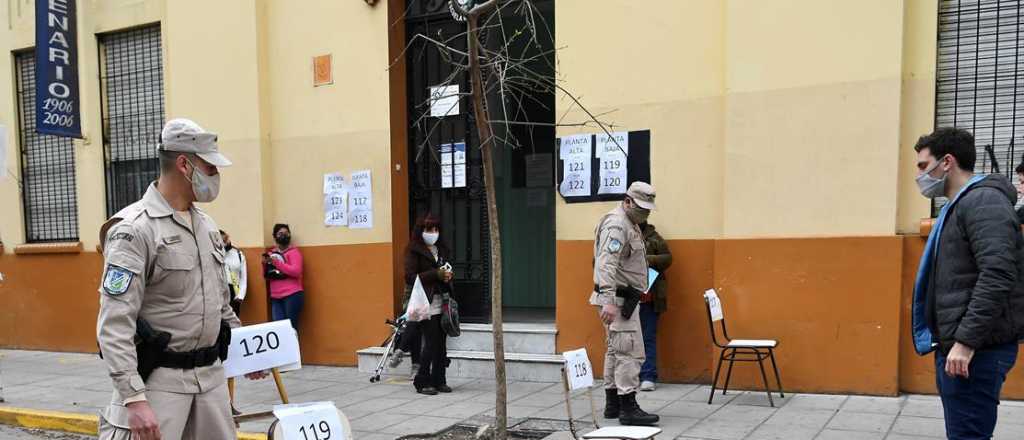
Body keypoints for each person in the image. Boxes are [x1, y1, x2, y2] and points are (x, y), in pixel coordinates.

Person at [95, 118, 266, 440]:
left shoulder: (207, 226)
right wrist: (133, 398)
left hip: (211, 382)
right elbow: (114, 323)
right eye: (210, 168)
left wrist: (249, 354)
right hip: (159, 384)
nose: (216, 176)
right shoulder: (134, 230)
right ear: (185, 165)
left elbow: (220, 304)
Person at [911, 127, 1024, 439]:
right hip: (960, 347)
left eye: (923, 166)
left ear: (947, 162)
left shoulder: (984, 202)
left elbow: (998, 274)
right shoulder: (960, 205)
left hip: (975, 351)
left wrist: (966, 342)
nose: (919, 176)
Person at [591, 181, 660, 426]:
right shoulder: (618, 224)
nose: (645, 214)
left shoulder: (629, 222)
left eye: (648, 210)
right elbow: (606, 263)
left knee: (615, 350)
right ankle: (628, 408)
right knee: (628, 352)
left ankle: (613, 404)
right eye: (641, 208)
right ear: (627, 201)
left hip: (623, 298)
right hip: (618, 300)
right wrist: (609, 300)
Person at [403, 213, 455, 395]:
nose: (432, 233)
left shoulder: (442, 249)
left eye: (435, 229)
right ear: (421, 231)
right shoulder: (413, 250)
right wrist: (436, 274)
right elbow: (410, 277)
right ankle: (422, 381)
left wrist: (447, 275)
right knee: (431, 343)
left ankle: (439, 379)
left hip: (443, 301)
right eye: (428, 229)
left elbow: (445, 269)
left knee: (441, 344)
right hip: (425, 302)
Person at [638, 221, 672, 392]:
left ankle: (647, 376)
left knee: (647, 337)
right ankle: (628, 375)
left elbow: (667, 258)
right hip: (624, 296)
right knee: (625, 340)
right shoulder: (619, 233)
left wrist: (646, 260)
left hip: (650, 297)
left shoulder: (654, 238)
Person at [265, 224, 304, 331]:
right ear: (275, 236)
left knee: (291, 329)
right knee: (279, 330)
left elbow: (296, 271)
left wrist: (277, 263)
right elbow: (267, 275)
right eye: (280, 233)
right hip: (276, 296)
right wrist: (266, 265)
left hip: (292, 295)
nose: (284, 236)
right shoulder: (271, 254)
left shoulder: (294, 252)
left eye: (286, 233)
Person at [220, 230, 247, 319]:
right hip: (220, 292)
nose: (226, 242)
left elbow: (243, 277)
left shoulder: (238, 254)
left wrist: (240, 295)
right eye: (223, 241)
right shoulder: (215, 255)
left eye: (226, 239)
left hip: (234, 291)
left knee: (234, 320)